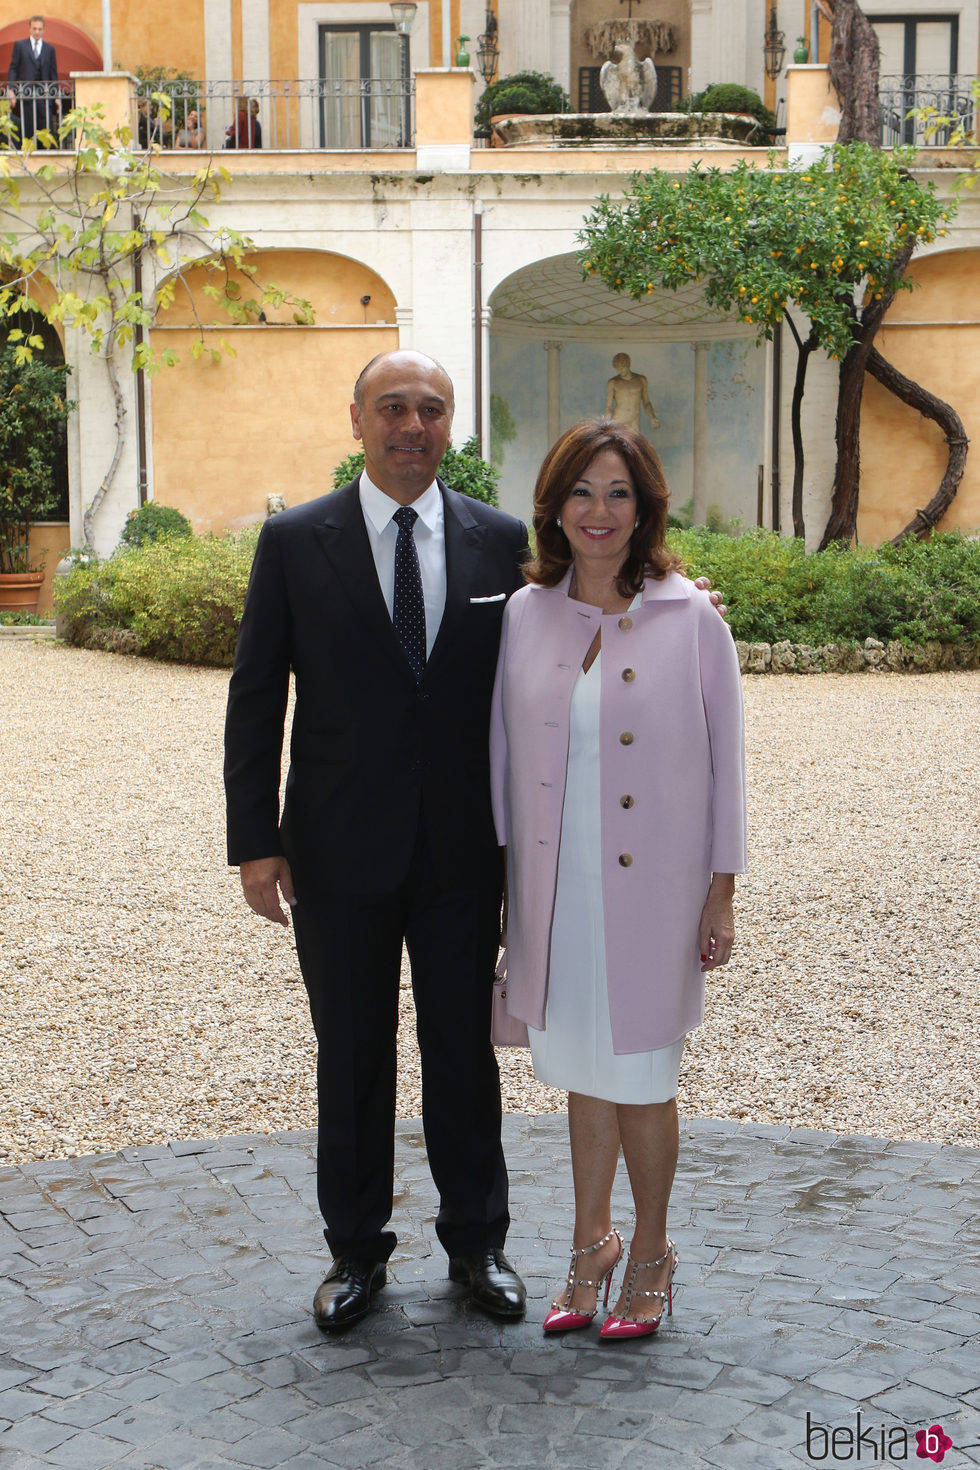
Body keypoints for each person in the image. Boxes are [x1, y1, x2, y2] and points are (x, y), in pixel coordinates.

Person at [224, 350, 530, 1331]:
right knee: (349, 1055)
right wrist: (253, 838)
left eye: (430, 409)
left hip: (459, 848)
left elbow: (555, 660)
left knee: (459, 1053)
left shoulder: (500, 540)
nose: (411, 425)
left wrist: (674, 602)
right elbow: (256, 695)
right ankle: (354, 1252)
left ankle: (477, 1244)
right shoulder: (293, 540)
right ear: (356, 417)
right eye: (392, 406)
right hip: (335, 845)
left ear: (449, 425)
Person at [490, 418, 746, 1340]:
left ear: (646, 507)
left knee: (643, 1074)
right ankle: (588, 1244)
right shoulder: (525, 614)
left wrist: (722, 891)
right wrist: (503, 905)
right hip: (559, 894)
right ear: (555, 505)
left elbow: (728, 764)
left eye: (620, 494)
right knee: (584, 1077)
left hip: (656, 893)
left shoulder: (692, 616)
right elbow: (499, 759)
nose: (600, 512)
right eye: (583, 493)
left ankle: (651, 1252)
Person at [6, 15, 59, 146]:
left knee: (45, 126)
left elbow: (53, 73)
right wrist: (11, 89)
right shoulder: (20, 46)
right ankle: (29, 154)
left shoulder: (49, 49)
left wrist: (56, 95)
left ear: (44, 30)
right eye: (34, 28)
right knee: (28, 126)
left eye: (40, 29)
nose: (37, 32)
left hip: (44, 94)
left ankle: (43, 154)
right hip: (26, 93)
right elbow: (13, 68)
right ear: (29, 29)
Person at [604, 353, 659, 433]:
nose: (619, 371)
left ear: (628, 365)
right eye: (617, 369)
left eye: (622, 368)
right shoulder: (613, 382)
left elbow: (646, 403)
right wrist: (606, 424)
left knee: (636, 444)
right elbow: (609, 407)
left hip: (634, 422)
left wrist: (652, 417)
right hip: (619, 421)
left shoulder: (641, 380)